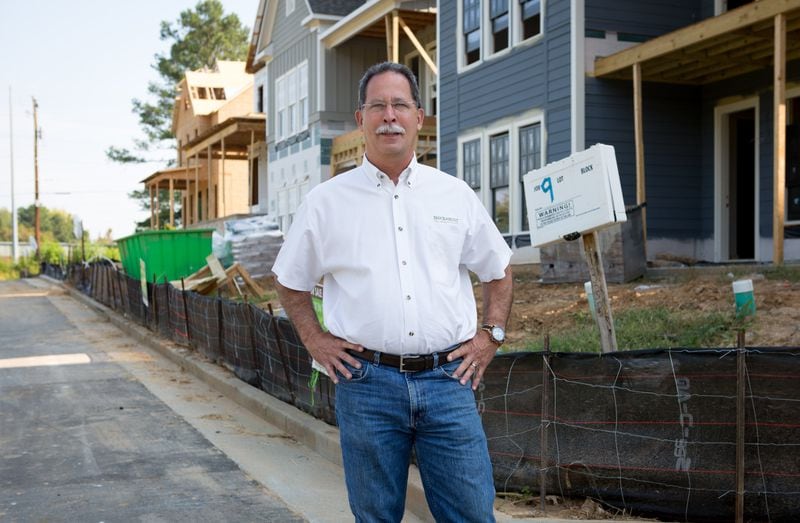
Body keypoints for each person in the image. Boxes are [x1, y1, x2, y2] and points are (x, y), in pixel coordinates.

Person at [272, 61, 513, 522]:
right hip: (366, 385)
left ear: (419, 118)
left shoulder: (454, 195)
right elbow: (289, 279)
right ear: (360, 118)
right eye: (377, 106)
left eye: (400, 105)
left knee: (470, 513)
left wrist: (491, 337)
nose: (389, 116)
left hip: (449, 381)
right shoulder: (325, 203)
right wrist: (315, 339)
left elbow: (498, 269)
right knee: (376, 514)